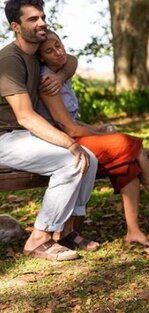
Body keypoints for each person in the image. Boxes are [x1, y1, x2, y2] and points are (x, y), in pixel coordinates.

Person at [35, 30, 149, 247]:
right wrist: (104, 134)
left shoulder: (60, 72)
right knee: (128, 144)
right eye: (50, 50)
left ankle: (134, 231)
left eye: (59, 45)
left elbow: (73, 118)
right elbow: (69, 129)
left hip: (73, 135)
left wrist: (95, 128)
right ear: (41, 57)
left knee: (125, 163)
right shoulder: (47, 81)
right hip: (62, 143)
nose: (58, 52)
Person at [0, 0, 99, 261]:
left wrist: (60, 76)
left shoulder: (33, 54)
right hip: (5, 137)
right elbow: (24, 116)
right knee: (73, 160)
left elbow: (72, 60)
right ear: (16, 26)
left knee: (91, 158)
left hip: (20, 135)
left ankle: (66, 230)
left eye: (42, 16)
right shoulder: (10, 60)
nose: (41, 22)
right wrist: (68, 142)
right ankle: (39, 239)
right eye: (32, 19)